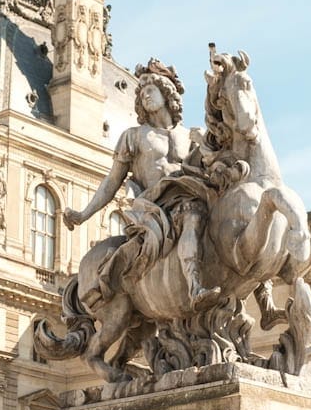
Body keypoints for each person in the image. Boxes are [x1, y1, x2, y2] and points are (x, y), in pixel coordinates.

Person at [63, 58, 220, 311]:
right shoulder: (134, 136)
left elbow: (212, 167)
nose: (145, 95)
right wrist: (83, 215)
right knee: (192, 215)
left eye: (151, 90)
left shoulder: (189, 135)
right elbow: (112, 181)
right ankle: (194, 287)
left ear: (166, 94)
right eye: (142, 91)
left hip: (187, 195)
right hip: (152, 206)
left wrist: (205, 145)